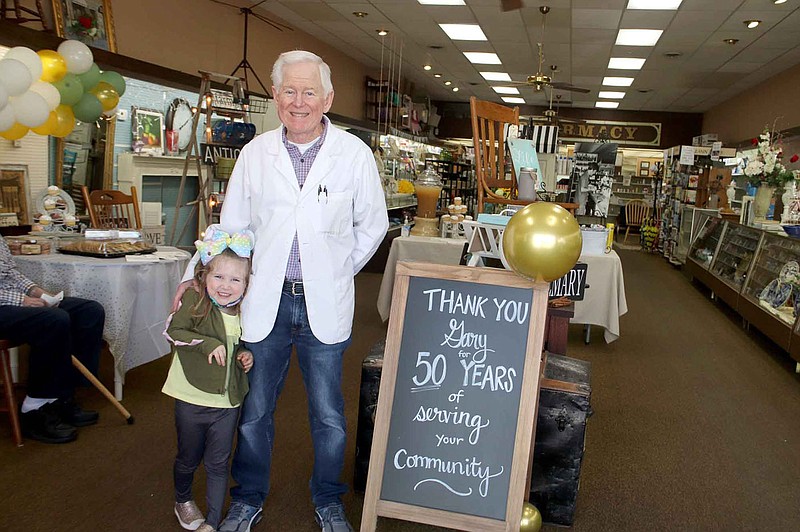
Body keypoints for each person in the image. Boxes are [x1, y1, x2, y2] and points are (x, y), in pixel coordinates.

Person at [173, 50, 388, 532]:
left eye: (309, 91)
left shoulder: (352, 154)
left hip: (324, 304)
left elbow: (371, 226)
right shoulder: (256, 153)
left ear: (327, 98)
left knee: (328, 414)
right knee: (253, 411)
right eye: (289, 90)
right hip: (264, 300)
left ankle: (328, 500)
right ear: (275, 95)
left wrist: (336, 269)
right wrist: (196, 272)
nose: (299, 100)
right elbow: (231, 227)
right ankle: (247, 499)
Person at [163, 229, 255, 532]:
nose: (225, 286)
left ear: (246, 283)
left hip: (226, 403)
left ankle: (213, 522)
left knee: (218, 463)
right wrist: (205, 344)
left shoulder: (246, 312)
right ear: (204, 276)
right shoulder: (194, 299)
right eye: (218, 278)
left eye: (235, 280)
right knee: (188, 458)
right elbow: (175, 331)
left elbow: (237, 343)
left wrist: (243, 355)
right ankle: (183, 500)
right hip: (191, 397)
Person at [0, 234, 103, 444]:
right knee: (52, 321)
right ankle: (34, 409)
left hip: (10, 302)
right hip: (4, 304)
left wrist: (39, 293)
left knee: (89, 311)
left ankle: (60, 396)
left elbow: (9, 273)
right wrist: (21, 300)